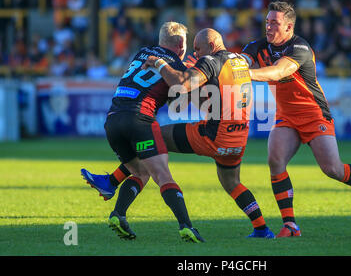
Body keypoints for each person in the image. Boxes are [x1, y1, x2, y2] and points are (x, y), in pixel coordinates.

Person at [85, 28, 275, 239]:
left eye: (198, 48)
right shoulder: (238, 60)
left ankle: (111, 182)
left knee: (154, 138)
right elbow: (206, 100)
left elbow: (182, 84)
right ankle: (262, 228)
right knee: (232, 183)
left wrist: (161, 64)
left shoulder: (210, 61)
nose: (196, 53)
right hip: (238, 138)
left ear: (211, 46)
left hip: (212, 136)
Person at [240, 1, 351, 237]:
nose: (269, 27)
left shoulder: (300, 48)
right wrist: (231, 65)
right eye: (267, 22)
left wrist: (244, 73)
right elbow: (242, 61)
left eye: (275, 23)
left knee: (333, 169)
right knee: (275, 160)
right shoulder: (257, 46)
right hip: (286, 116)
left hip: (314, 113)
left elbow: (278, 71)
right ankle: (290, 225)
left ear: (289, 27)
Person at [81, 22, 204, 243]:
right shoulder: (175, 64)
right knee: (162, 175)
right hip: (140, 120)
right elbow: (181, 101)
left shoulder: (142, 52)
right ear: (180, 43)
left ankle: (117, 211)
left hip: (112, 121)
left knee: (140, 172)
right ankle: (186, 226)